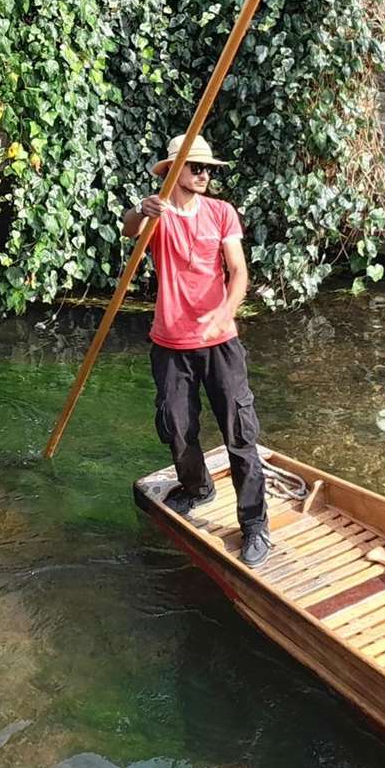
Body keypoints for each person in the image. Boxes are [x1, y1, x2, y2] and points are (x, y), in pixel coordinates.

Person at [123, 134, 271, 568]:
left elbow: (239, 271)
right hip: (170, 343)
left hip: (220, 343)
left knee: (240, 433)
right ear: (173, 172)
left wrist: (225, 311)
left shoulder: (221, 213)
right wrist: (140, 209)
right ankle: (196, 487)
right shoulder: (159, 216)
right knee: (177, 427)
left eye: (208, 169)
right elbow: (129, 226)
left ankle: (254, 523)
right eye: (196, 168)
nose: (205, 175)